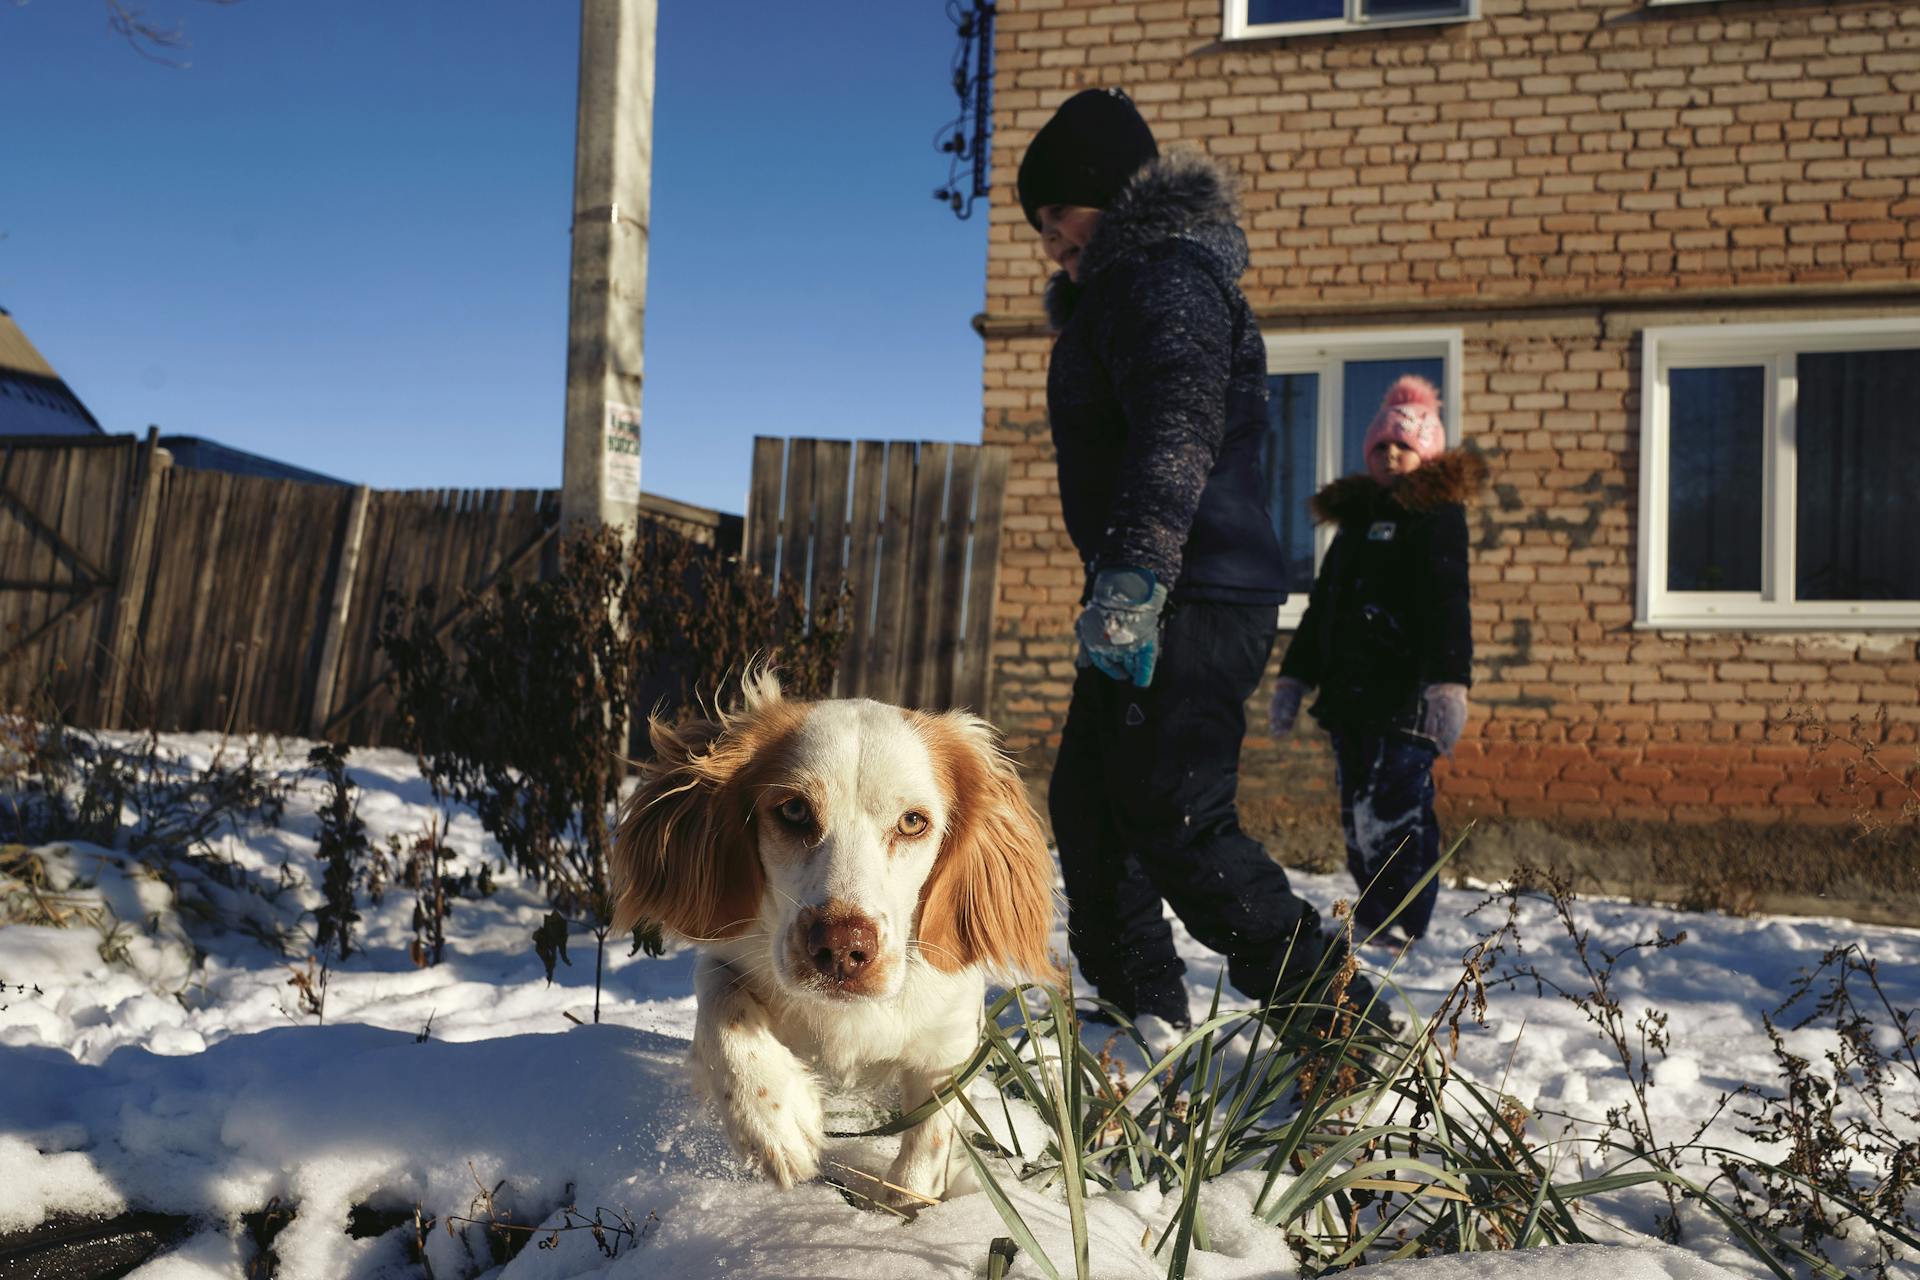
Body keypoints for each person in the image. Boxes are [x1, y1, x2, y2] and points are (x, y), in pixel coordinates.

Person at [1018, 87, 1358, 1031]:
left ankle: (1343, 1026)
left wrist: (1135, 577)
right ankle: (1142, 1021)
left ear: (1113, 194)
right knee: (1088, 806)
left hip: (1188, 589)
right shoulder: (1125, 290)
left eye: (1058, 213)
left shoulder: (1160, 275)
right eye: (1037, 225)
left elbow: (1178, 424)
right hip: (1155, 585)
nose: (1048, 239)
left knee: (1176, 819)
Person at [1267, 375, 1485, 949]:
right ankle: (1373, 912)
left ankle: (1401, 922)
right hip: (1350, 697)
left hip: (1406, 696)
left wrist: (1448, 684)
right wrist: (1295, 677)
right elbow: (1323, 608)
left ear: (1427, 452)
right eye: (1382, 446)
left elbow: (1448, 602)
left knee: (1395, 812)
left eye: (1404, 446)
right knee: (1357, 816)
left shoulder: (1437, 518)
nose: (1391, 455)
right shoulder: (1358, 523)